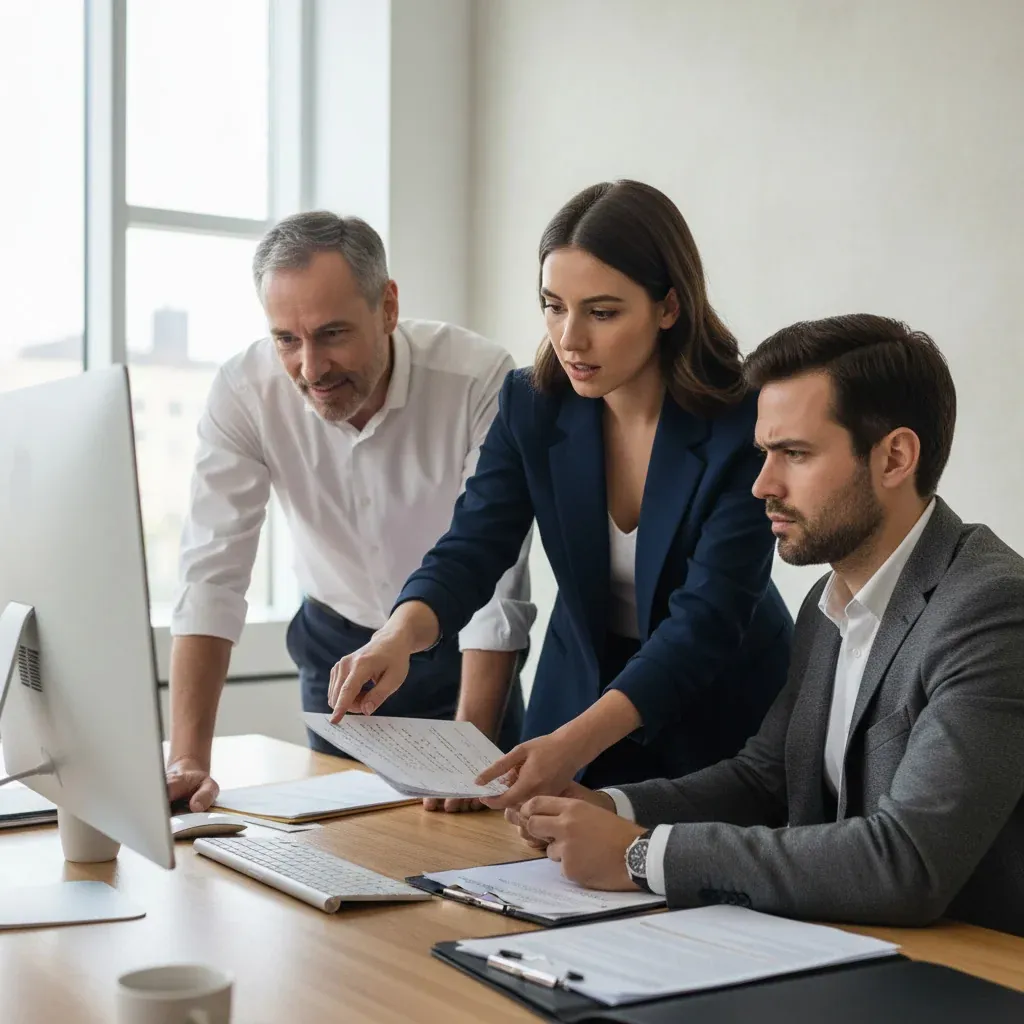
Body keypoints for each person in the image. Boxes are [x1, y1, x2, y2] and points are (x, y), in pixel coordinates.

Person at [507, 314, 1024, 937]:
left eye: (795, 455)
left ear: (895, 457)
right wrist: (608, 807)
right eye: (764, 453)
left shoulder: (993, 609)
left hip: (971, 973)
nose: (762, 485)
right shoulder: (827, 602)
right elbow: (767, 778)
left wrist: (641, 855)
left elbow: (907, 863)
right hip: (845, 948)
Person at [327, 180, 793, 802]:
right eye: (553, 305)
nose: (569, 337)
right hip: (576, 690)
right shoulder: (533, 403)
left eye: (602, 312)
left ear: (669, 307)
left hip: (717, 712)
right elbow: (473, 544)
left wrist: (575, 743)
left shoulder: (744, 422)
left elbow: (705, 620)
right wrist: (398, 636)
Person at [165, 212, 534, 814]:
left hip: (460, 659)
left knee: (474, 864)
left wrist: (472, 760)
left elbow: (496, 587)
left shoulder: (479, 378)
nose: (311, 369)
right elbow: (212, 574)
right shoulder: (243, 390)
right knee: (341, 849)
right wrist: (187, 760)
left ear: (387, 307)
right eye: (287, 339)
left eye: (333, 334)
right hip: (335, 654)